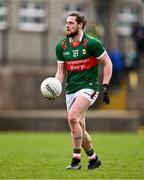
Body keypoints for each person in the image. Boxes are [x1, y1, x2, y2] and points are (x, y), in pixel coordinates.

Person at [54, 12, 112, 170]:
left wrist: (105, 86)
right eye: (66, 22)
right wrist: (55, 87)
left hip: (89, 87)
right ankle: (93, 159)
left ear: (80, 25)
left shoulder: (92, 43)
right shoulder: (61, 46)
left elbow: (107, 63)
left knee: (73, 117)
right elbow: (61, 73)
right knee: (78, 125)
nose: (67, 25)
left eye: (71, 23)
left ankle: (76, 161)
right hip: (70, 89)